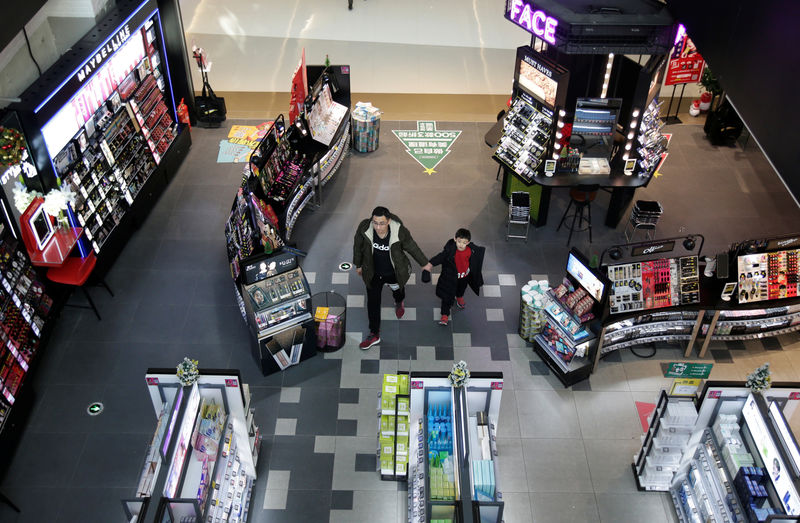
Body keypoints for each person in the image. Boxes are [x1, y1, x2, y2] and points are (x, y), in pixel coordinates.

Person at [353, 206, 431, 349]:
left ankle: (399, 301)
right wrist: (358, 264)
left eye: (381, 223)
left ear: (388, 221)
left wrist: (424, 263)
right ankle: (374, 333)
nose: (377, 227)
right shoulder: (364, 228)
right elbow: (358, 245)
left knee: (398, 291)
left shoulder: (399, 231)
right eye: (375, 222)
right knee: (373, 303)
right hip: (373, 273)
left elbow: (411, 246)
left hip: (394, 273)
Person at [427, 228, 485, 326]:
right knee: (447, 296)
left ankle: (459, 297)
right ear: (455, 239)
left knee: (461, 289)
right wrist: (430, 264)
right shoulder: (450, 251)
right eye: (459, 241)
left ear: (468, 242)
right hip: (450, 278)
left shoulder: (471, 251)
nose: (461, 245)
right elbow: (440, 257)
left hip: (464, 277)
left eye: (464, 242)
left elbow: (474, 261)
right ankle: (445, 315)